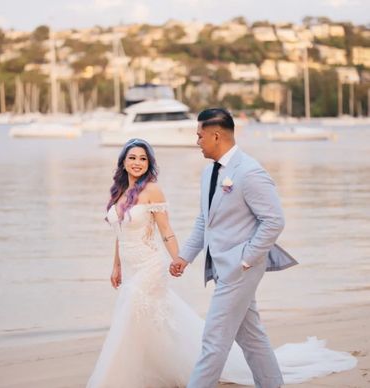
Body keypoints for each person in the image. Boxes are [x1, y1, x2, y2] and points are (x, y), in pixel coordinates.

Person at [87, 137, 356, 388]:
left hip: (149, 266)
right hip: (130, 265)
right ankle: (157, 367)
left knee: (134, 313)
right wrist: (117, 265)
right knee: (151, 321)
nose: (137, 162)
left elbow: (166, 231)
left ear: (149, 164)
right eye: (132, 157)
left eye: (143, 159)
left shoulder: (152, 191)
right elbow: (119, 233)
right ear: (123, 161)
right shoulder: (119, 191)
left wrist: (179, 259)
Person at [169, 108, 355, 388]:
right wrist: (185, 256)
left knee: (214, 340)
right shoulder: (209, 173)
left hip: (239, 269)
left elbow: (274, 220)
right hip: (220, 266)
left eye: (199, 136)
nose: (197, 141)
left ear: (216, 135)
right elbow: (204, 220)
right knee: (251, 338)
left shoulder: (249, 171)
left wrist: (247, 259)